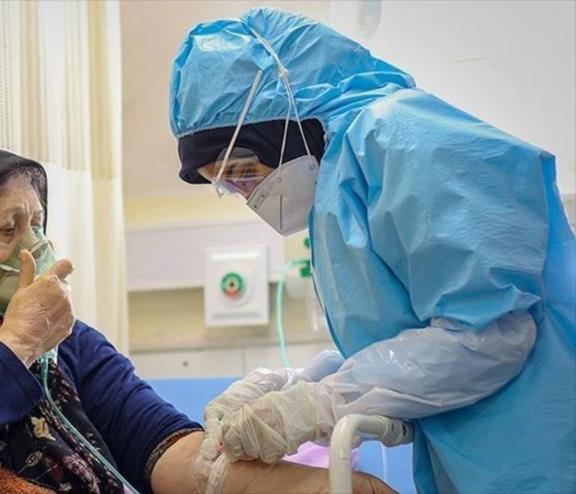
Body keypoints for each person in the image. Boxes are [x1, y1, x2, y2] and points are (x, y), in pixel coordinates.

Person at [169, 8, 576, 494]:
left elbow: (491, 333)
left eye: (242, 169)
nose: (245, 194)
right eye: (226, 184)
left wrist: (319, 404)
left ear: (284, 126)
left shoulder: (405, 140)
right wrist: (292, 384)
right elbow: (409, 343)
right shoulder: (339, 183)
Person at [0, 145, 393, 493]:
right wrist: (16, 344)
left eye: (37, 223)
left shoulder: (71, 345)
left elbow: (160, 445)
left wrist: (321, 487)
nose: (34, 245)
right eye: (8, 230)